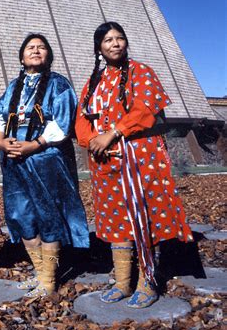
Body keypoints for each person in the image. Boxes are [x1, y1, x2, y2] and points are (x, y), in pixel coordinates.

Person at [75, 21, 193, 308]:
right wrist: (91, 140)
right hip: (106, 161)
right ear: (99, 48)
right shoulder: (94, 82)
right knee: (116, 217)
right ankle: (123, 281)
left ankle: (148, 280)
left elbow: (145, 110)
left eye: (119, 38)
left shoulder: (141, 72)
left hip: (140, 157)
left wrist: (112, 133)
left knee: (144, 213)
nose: (115, 44)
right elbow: (81, 118)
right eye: (108, 40)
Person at [0, 33, 89, 297]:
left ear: (49, 55)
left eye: (41, 47)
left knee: (48, 213)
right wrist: (0, 140)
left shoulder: (59, 84)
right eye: (30, 47)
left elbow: (63, 122)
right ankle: (40, 271)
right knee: (21, 214)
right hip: (12, 161)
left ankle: (50, 279)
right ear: (22, 56)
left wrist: (36, 144)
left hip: (46, 160)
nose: (36, 51)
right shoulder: (13, 87)